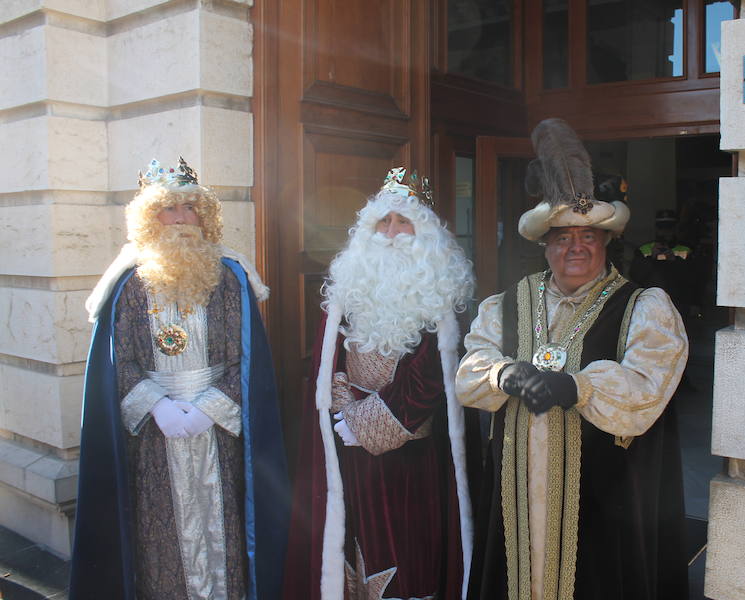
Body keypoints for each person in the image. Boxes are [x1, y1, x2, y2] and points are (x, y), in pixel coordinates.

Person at [457, 119, 689, 600]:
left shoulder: (644, 306)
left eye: (587, 236)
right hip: (517, 490)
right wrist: (505, 373)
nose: (575, 247)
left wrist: (579, 387)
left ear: (606, 242)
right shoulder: (506, 303)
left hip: (606, 495)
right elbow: (469, 372)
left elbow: (649, 387)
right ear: (546, 245)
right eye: (562, 237)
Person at [69, 158, 289, 600]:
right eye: (170, 209)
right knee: (158, 534)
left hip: (217, 437)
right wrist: (159, 406)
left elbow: (240, 362)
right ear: (150, 217)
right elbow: (121, 360)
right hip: (154, 435)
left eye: (191, 208)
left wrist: (207, 410)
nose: (182, 219)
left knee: (222, 527)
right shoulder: (128, 283)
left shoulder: (229, 278)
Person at [283, 168, 476, 600]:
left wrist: (366, 423)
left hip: (412, 458)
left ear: (424, 232)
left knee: (408, 555)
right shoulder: (347, 293)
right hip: (350, 452)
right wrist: (343, 413)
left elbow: (429, 379)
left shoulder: (440, 296)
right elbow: (327, 362)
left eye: (403, 222)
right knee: (356, 546)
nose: (392, 233)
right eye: (383, 223)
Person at [630, 209, 696, 318]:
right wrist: (652, 258)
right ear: (656, 229)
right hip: (651, 306)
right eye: (662, 227)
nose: (665, 231)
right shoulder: (644, 250)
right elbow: (636, 276)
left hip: (679, 305)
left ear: (675, 228)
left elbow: (693, 278)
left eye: (669, 227)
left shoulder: (686, 250)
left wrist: (674, 261)